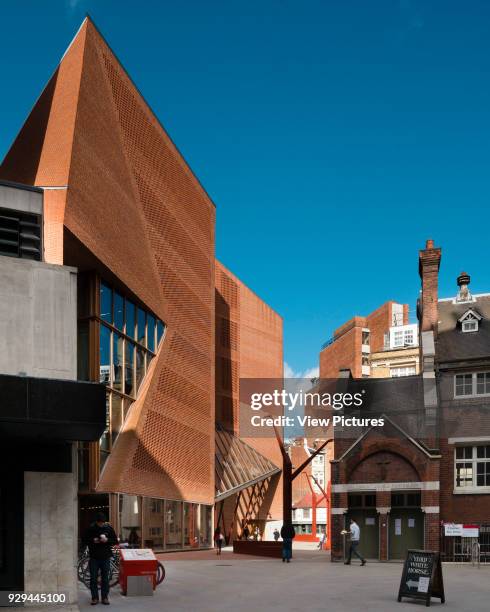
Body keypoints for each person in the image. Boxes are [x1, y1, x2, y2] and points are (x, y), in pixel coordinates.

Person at [82, 512, 118, 606]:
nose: (101, 524)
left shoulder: (108, 528)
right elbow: (84, 540)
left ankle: (105, 597)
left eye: (102, 522)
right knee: (93, 578)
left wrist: (107, 540)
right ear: (96, 521)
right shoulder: (91, 528)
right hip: (94, 557)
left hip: (105, 557)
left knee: (105, 579)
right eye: (99, 522)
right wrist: (93, 540)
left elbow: (115, 541)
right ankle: (94, 598)